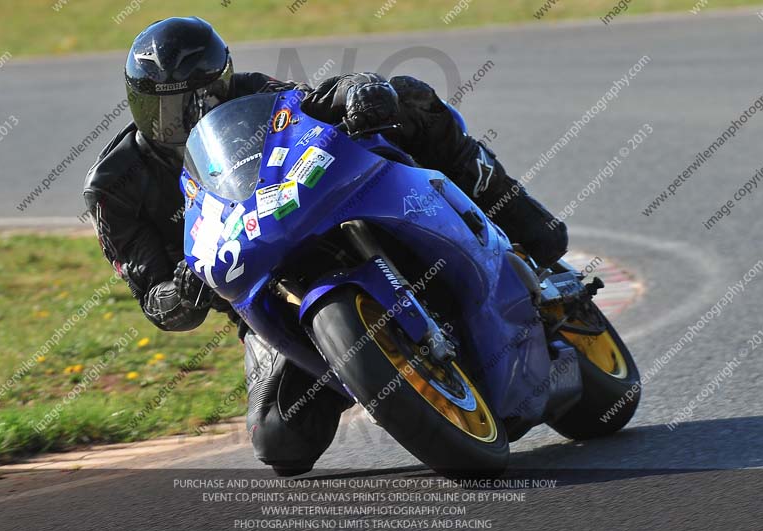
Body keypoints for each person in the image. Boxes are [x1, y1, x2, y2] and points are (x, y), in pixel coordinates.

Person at [83, 16, 568, 476]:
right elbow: (155, 298)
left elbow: (313, 105)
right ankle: (369, 372)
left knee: (404, 97)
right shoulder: (114, 186)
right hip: (263, 294)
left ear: (222, 83)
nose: (181, 120)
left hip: (322, 217)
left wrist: (356, 91)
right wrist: (181, 294)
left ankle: (513, 216)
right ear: (135, 104)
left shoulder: (253, 93)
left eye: (197, 100)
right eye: (160, 108)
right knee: (280, 445)